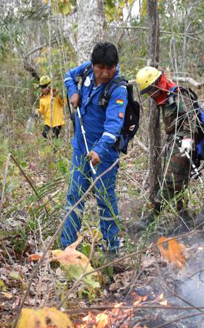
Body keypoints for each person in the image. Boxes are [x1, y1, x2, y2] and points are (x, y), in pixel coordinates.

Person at [61, 42, 127, 251]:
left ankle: (112, 248)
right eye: (101, 68)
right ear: (93, 64)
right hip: (80, 148)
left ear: (115, 66)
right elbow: (68, 76)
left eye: (110, 68)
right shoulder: (87, 69)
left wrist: (99, 149)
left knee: (105, 199)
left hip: (104, 154)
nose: (105, 73)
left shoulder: (118, 89)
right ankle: (67, 247)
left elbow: (113, 126)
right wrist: (73, 91)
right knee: (75, 195)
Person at [135, 66, 204, 220]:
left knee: (171, 179)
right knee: (179, 180)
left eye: (150, 90)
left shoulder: (178, 94)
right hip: (173, 141)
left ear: (156, 85)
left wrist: (187, 143)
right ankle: (184, 217)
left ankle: (152, 218)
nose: (149, 94)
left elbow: (190, 118)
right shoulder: (165, 97)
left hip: (184, 142)